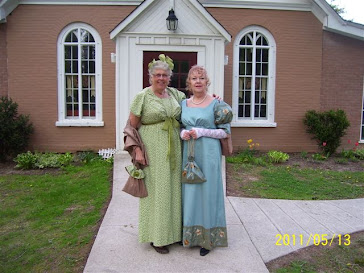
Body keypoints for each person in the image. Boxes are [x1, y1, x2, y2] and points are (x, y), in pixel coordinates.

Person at [126, 54, 186, 254]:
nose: (161, 78)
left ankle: (174, 234)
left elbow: (195, 105)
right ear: (150, 76)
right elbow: (131, 127)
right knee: (157, 193)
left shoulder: (176, 95)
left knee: (174, 191)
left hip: (175, 149)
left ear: (170, 77)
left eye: (165, 75)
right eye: (157, 75)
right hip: (152, 150)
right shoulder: (142, 97)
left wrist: (214, 99)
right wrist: (137, 150)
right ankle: (158, 238)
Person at [180, 65, 232, 256]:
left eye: (201, 78)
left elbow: (224, 132)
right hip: (189, 153)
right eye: (194, 78)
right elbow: (180, 126)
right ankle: (191, 236)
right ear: (189, 83)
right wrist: (183, 132)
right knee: (191, 192)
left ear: (207, 82)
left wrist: (202, 131)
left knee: (208, 192)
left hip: (209, 153)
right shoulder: (183, 104)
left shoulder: (217, 104)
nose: (198, 82)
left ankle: (208, 239)